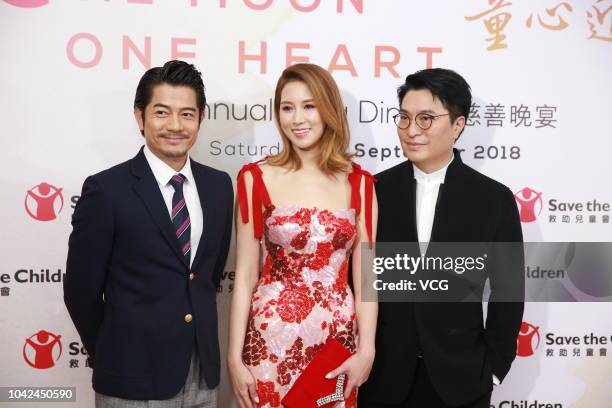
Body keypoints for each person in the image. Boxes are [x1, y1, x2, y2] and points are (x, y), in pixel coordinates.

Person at [64, 60, 233, 407]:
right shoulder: (106, 190)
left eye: (187, 114)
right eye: (161, 112)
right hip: (130, 378)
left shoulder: (219, 186)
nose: (175, 125)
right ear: (140, 117)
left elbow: (207, 276)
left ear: (201, 118)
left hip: (202, 376)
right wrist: (115, 354)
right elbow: (81, 293)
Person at [358, 68, 524, 408]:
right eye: (404, 118)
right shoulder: (373, 192)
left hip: (461, 381)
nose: (411, 131)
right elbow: (358, 282)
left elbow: (509, 291)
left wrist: (493, 368)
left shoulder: (493, 199)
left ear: (458, 125)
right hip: (382, 378)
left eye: (426, 119)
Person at [227, 63, 378, 408]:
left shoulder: (360, 183)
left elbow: (366, 276)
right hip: (269, 341)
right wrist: (235, 359)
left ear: (328, 110)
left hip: (335, 344)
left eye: (309, 106)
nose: (298, 118)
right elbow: (246, 274)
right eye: (287, 107)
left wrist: (366, 349)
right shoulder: (255, 179)